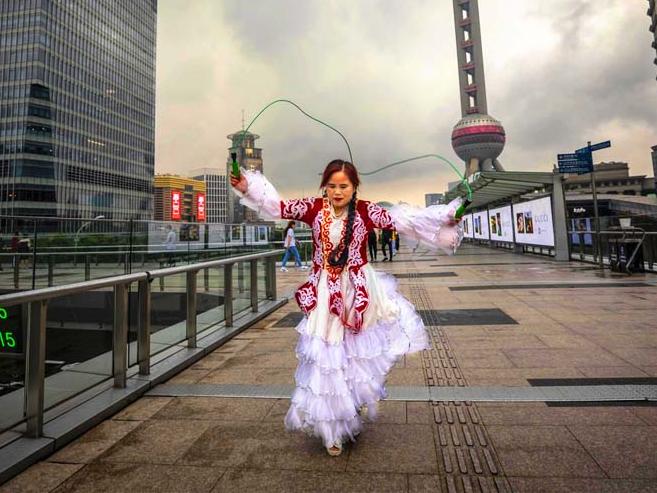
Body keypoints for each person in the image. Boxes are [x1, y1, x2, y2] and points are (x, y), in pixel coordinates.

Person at [230, 159, 463, 456]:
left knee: (354, 355)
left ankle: (351, 402)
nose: (337, 192)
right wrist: (246, 186)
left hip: (359, 292)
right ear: (324, 186)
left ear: (354, 187)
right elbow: (279, 207)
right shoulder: (314, 208)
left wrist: (447, 216)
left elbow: (405, 221)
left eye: (344, 186)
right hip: (325, 293)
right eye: (332, 186)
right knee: (327, 356)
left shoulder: (366, 211)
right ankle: (332, 430)